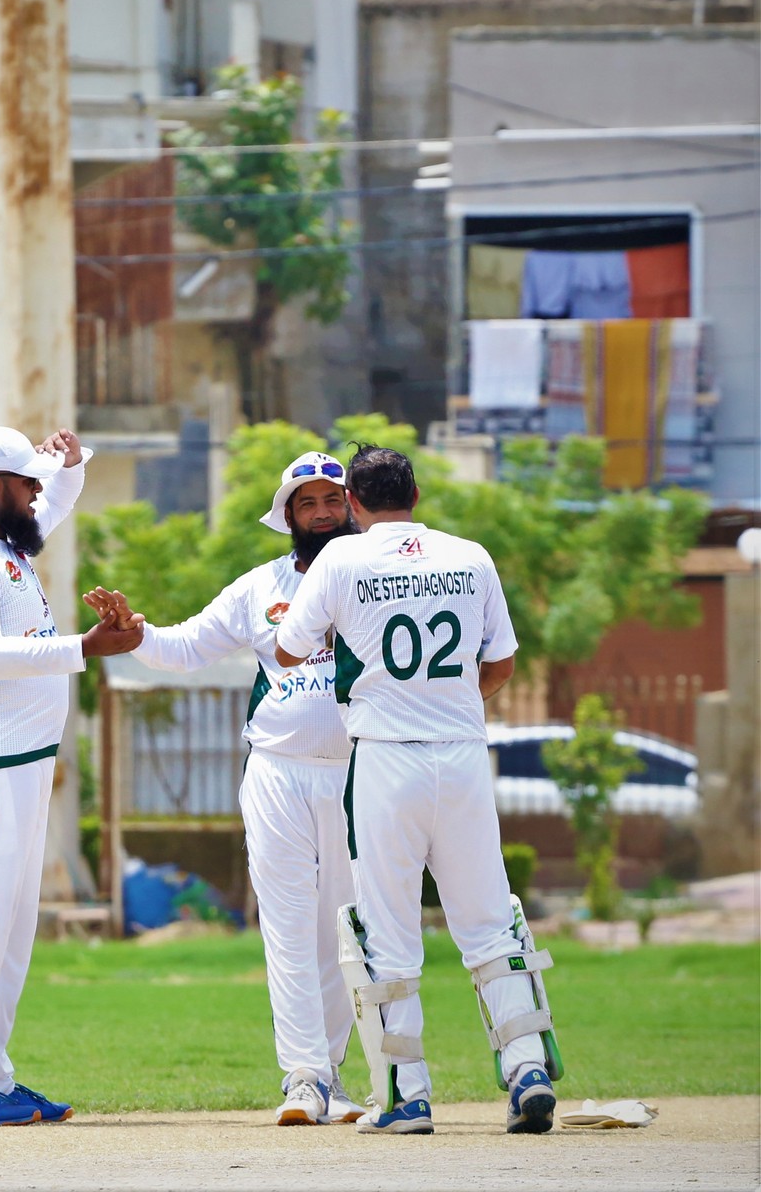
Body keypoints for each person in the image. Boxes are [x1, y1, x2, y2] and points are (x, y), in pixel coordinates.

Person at [274, 444, 560, 1136]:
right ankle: (527, 1068)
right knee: (488, 921)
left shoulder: (341, 558)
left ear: (353, 504)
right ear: (416, 495)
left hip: (384, 759)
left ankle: (407, 1095)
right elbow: (500, 663)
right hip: (461, 756)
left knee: (386, 928)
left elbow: (287, 649)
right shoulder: (470, 555)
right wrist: (446, 702)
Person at [83, 451, 366, 1127]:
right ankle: (303, 1077)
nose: (321, 513)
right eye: (306, 503)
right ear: (287, 516)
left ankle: (331, 1074)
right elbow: (185, 647)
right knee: (287, 926)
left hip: (358, 770)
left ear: (352, 508)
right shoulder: (258, 586)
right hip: (276, 771)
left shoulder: (379, 581)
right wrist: (136, 632)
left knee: (346, 929)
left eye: (332, 501)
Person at [0, 425, 144, 1127]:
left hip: (19, 757)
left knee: (12, 929)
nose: (35, 495)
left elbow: (56, 503)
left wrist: (68, 463)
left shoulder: (1, 539)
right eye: (26, 485)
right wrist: (85, 646)